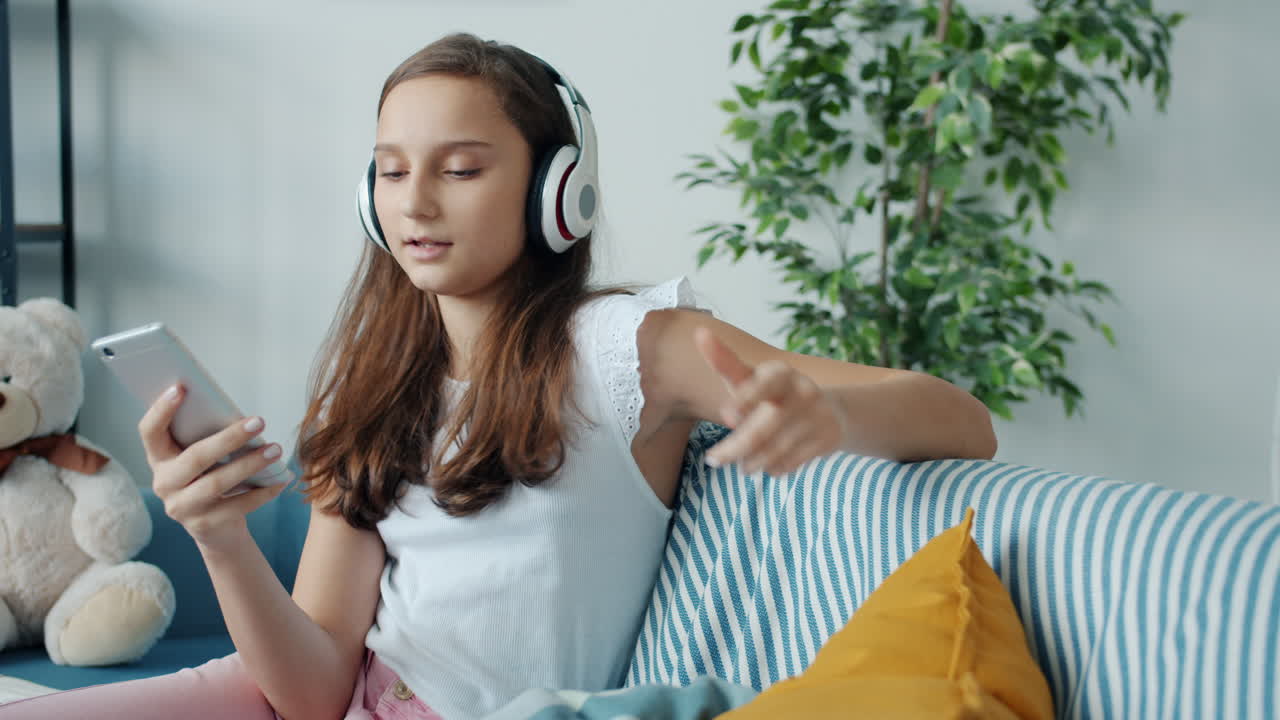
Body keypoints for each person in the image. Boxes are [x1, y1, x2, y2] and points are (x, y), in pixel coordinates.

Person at [0, 32, 996, 720]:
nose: (415, 201)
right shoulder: (372, 374)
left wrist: (821, 411)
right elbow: (308, 689)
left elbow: (961, 422)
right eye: (390, 170)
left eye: (461, 167)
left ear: (556, 191)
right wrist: (217, 537)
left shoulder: (628, 347)